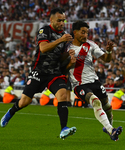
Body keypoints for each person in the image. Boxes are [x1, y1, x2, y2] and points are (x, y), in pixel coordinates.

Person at [1, 8, 77, 140]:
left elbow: (60, 57)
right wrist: (61, 40)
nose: (61, 23)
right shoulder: (44, 31)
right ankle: (10, 112)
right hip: (39, 71)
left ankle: (64, 129)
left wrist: (68, 55)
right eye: (59, 20)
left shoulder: (65, 36)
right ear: (51, 20)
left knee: (63, 95)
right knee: (25, 101)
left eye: (63, 20)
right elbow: (43, 48)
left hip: (54, 72)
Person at [65, 21, 122, 141]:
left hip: (94, 81)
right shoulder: (67, 48)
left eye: (87, 32)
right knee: (95, 102)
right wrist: (70, 63)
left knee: (107, 106)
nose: (85, 35)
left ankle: (109, 128)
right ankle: (112, 130)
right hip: (79, 84)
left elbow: (106, 59)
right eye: (82, 32)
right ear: (75, 32)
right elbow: (60, 68)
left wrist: (109, 51)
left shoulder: (90, 45)